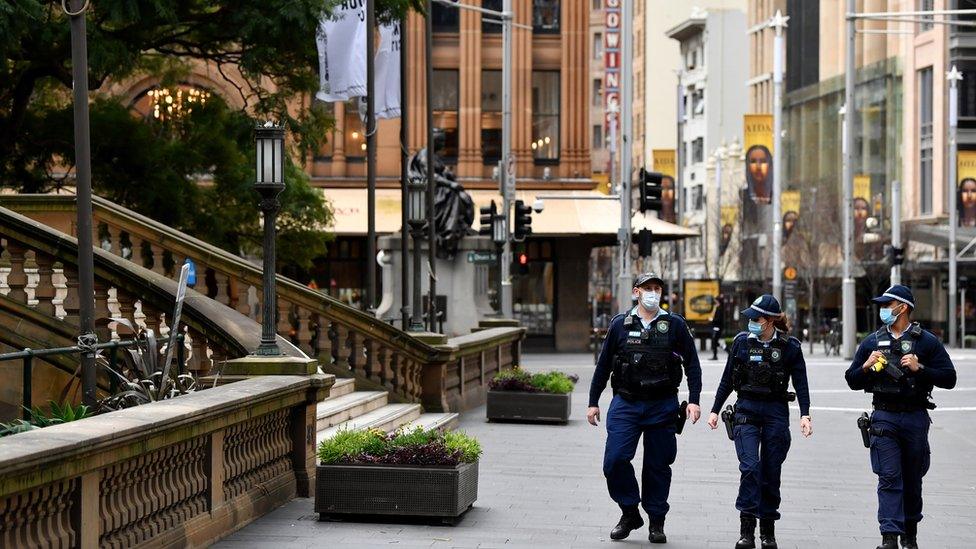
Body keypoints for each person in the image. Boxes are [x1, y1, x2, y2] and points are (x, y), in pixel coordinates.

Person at [587, 273, 703, 544]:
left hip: (662, 405)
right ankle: (629, 512)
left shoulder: (674, 325)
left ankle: (656, 522)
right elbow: (603, 366)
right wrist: (593, 402)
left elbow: (693, 364)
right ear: (636, 292)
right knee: (614, 461)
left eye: (657, 289)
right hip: (626, 402)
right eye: (647, 289)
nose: (653, 293)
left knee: (657, 465)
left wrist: (694, 399)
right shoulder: (620, 325)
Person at [845, 285, 956, 549]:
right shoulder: (872, 341)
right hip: (883, 417)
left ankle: (910, 536)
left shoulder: (926, 341)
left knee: (912, 480)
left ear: (902, 307)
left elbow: (950, 378)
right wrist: (865, 366)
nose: (883, 309)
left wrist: (922, 368)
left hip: (915, 417)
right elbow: (852, 380)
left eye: (888, 304)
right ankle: (889, 537)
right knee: (889, 477)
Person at [707, 295, 812, 549]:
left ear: (770, 321)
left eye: (756, 318)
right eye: (750, 318)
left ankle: (768, 530)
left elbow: (801, 383)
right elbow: (727, 380)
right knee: (750, 467)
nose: (751, 322)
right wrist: (714, 410)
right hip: (747, 412)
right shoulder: (742, 343)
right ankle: (746, 530)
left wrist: (805, 415)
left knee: (771, 472)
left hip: (776, 412)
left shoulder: (790, 347)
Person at [710, 296, 725, 360]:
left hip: (717, 327)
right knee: (715, 341)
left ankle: (716, 355)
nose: (714, 301)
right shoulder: (717, 308)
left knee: (714, 341)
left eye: (715, 300)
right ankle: (724, 349)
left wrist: (712, 320)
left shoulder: (719, 308)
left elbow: (719, 319)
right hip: (716, 327)